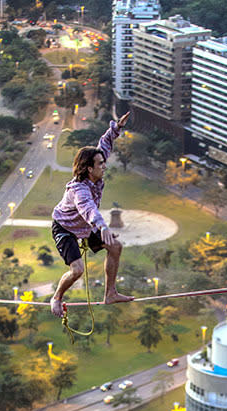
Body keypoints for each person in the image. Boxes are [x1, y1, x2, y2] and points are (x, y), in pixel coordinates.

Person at [50, 112, 134, 317]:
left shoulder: (95, 172)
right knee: (77, 270)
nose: (104, 166)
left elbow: (104, 144)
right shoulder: (78, 190)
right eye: (100, 165)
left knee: (115, 247)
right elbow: (88, 209)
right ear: (89, 168)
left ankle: (110, 293)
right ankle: (56, 297)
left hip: (86, 227)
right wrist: (102, 226)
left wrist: (117, 128)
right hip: (66, 228)